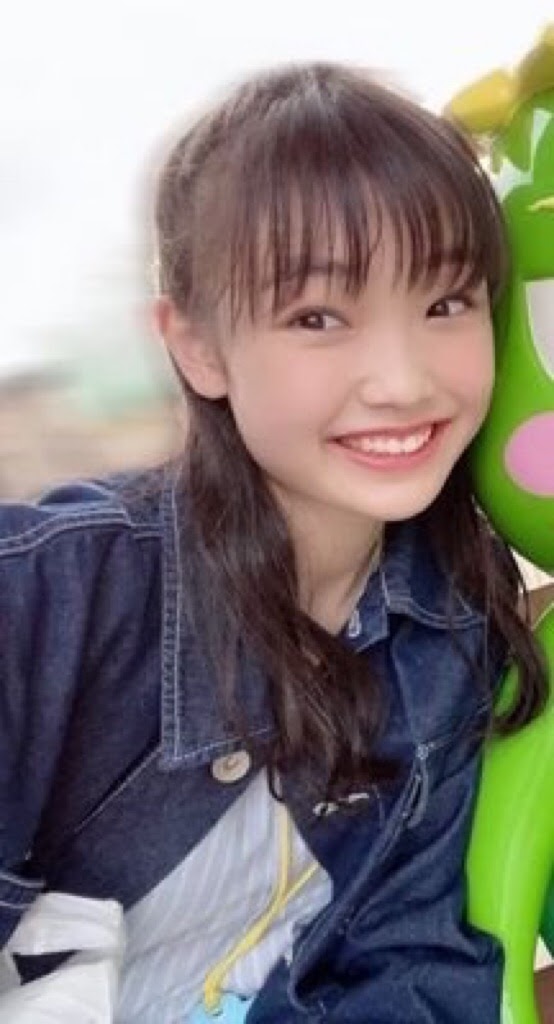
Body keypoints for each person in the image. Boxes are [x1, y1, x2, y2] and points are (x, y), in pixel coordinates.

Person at [0, 63, 549, 1024]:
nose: (402, 381)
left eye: (445, 303)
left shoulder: (453, 627)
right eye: (318, 317)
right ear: (198, 347)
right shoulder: (50, 599)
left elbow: (407, 960)